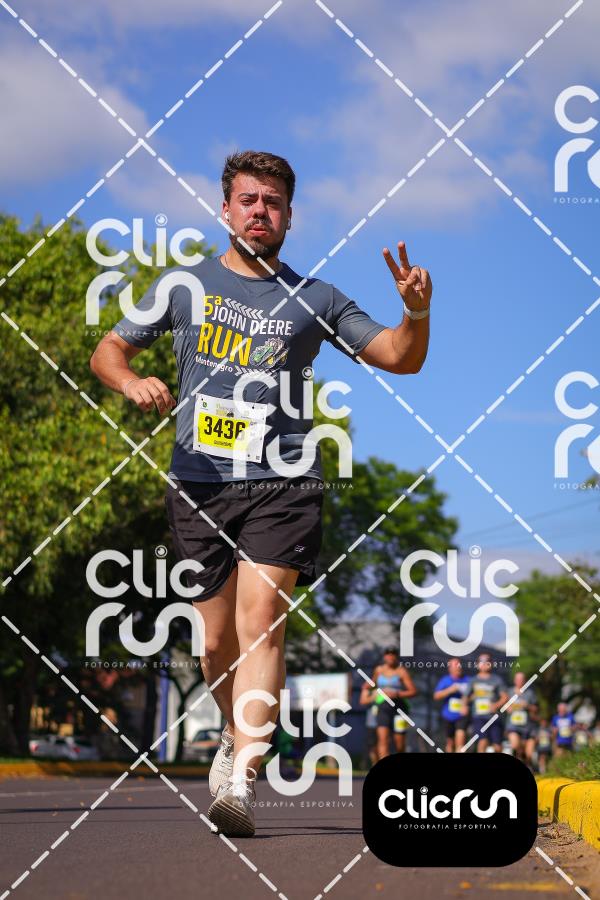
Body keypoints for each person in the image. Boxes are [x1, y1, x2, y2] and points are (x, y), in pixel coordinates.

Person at [89, 150, 432, 837]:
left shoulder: (317, 299)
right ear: (226, 210)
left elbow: (401, 357)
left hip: (285, 481)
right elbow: (108, 351)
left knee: (262, 620)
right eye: (248, 200)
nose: (259, 212)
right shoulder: (184, 285)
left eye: (272, 203)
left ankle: (244, 779)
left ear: (289, 217)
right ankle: (233, 731)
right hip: (200, 483)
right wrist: (130, 381)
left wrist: (415, 312)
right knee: (215, 641)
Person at [364, 648, 417, 759]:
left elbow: (413, 691)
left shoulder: (402, 671)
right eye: (388, 654)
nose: (390, 657)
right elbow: (371, 684)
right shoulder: (379, 670)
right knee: (383, 739)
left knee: (399, 743)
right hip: (383, 708)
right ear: (384, 656)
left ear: (396, 657)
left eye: (393, 654)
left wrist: (397, 694)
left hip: (399, 708)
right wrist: (367, 689)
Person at [461, 653, 508, 753]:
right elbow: (465, 696)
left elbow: (505, 697)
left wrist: (496, 705)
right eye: (481, 661)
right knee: (483, 740)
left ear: (491, 663)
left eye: (487, 661)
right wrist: (464, 706)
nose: (484, 664)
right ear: (478, 664)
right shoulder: (473, 680)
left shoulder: (497, 680)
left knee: (497, 746)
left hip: (493, 717)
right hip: (478, 717)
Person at [433, 658, 470, 752]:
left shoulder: (468, 680)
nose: (458, 667)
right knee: (450, 743)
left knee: (460, 742)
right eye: (455, 665)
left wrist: (466, 704)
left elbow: (474, 695)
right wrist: (450, 690)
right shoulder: (445, 680)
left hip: (462, 715)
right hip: (448, 716)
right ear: (450, 668)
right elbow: (436, 696)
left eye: (459, 665)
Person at [505, 671, 538, 765]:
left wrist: (528, 706)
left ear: (525, 681)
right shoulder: (509, 692)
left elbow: (536, 709)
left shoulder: (530, 693)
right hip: (513, 726)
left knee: (529, 755)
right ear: (514, 680)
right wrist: (507, 707)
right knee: (515, 745)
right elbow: (503, 704)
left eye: (521, 679)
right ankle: (519, 754)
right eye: (517, 679)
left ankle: (524, 758)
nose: (519, 681)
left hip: (527, 727)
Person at [359, 679, 379, 768]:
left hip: (386, 721)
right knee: (372, 745)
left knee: (384, 743)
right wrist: (374, 696)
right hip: (372, 722)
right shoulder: (369, 687)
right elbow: (362, 701)